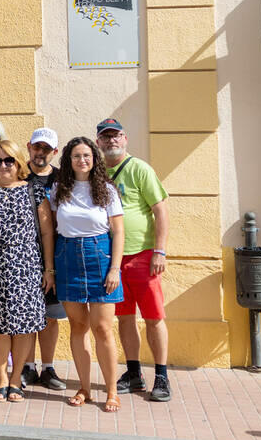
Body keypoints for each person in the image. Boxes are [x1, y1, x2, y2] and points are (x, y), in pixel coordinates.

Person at [0, 139, 54, 403]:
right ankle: (2, 378)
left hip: (27, 269)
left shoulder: (34, 191)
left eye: (8, 160)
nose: (3, 166)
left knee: (25, 327)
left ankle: (17, 379)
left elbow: (47, 231)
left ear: (18, 163)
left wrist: (49, 269)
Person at [97, 118, 172, 402]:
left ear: (125, 139)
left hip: (142, 255)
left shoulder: (140, 169)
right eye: (105, 137)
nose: (111, 141)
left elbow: (160, 210)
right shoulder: (98, 172)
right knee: (125, 318)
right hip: (112, 258)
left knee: (153, 317)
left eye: (115, 136)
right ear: (99, 143)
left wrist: (159, 251)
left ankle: (162, 376)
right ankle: (134, 372)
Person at [51, 137, 125, 412]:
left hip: (100, 257)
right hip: (68, 256)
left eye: (86, 155)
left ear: (94, 158)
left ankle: (111, 391)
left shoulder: (106, 190)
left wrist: (114, 268)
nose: (82, 160)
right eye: (76, 156)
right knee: (78, 326)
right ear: (68, 161)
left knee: (103, 328)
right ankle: (84, 387)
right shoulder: (59, 189)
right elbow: (54, 227)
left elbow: (118, 231)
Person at [21, 127, 68, 391]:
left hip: (56, 254)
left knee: (50, 315)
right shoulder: (16, 174)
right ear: (28, 147)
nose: (41, 153)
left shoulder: (64, 179)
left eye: (46, 149)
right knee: (27, 313)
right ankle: (27, 367)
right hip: (23, 256)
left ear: (55, 152)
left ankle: (48, 368)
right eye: (37, 147)